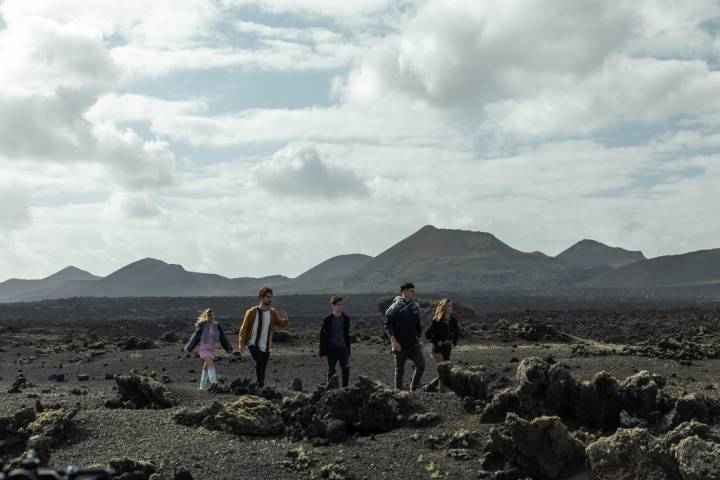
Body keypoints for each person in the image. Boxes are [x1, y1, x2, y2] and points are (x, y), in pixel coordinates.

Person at [238, 287, 289, 387]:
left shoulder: (272, 312)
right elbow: (244, 328)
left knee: (263, 366)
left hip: (266, 345)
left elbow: (282, 324)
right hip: (253, 343)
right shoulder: (251, 312)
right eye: (267, 297)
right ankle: (260, 385)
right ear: (261, 297)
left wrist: (286, 318)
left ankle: (259, 385)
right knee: (259, 362)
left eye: (271, 297)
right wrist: (241, 342)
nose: (270, 299)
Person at [385, 281, 424, 391]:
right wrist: (394, 342)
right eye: (412, 291)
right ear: (405, 292)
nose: (413, 293)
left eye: (414, 291)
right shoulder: (394, 307)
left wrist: (419, 337)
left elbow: (418, 324)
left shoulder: (415, 306)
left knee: (421, 365)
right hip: (399, 344)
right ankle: (399, 394)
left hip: (413, 343)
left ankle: (413, 390)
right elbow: (388, 326)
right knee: (400, 370)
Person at [184, 308, 233, 390]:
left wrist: (228, 348)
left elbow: (223, 337)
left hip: (211, 349)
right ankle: (214, 384)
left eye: (212, 315)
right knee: (211, 364)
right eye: (209, 315)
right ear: (206, 316)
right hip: (204, 349)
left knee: (206, 367)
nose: (211, 317)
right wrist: (189, 347)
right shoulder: (202, 325)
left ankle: (202, 386)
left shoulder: (217, 325)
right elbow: (195, 337)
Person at [424, 298, 459, 392]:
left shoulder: (453, 320)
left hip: (447, 348)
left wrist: (454, 343)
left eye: (451, 306)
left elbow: (456, 333)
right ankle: (441, 392)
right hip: (437, 349)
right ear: (443, 307)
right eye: (449, 306)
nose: (451, 307)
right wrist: (436, 341)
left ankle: (429, 386)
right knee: (442, 370)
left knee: (446, 371)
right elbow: (427, 334)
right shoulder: (436, 320)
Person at [319, 295, 351, 388]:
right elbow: (322, 335)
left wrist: (348, 349)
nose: (340, 306)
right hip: (331, 348)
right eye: (338, 304)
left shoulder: (346, 319)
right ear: (333, 306)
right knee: (332, 370)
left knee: (346, 368)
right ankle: (330, 390)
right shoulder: (328, 319)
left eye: (342, 304)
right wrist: (322, 350)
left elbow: (346, 334)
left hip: (342, 348)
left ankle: (345, 389)